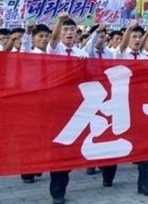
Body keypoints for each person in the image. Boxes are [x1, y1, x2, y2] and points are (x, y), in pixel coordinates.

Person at [101, 21, 148, 196]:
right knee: (115, 144)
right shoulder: (120, 53)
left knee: (145, 147)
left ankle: (144, 184)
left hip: (140, 107)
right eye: (134, 37)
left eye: (140, 37)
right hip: (120, 107)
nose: (137, 40)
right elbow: (123, 45)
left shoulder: (147, 59)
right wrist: (130, 28)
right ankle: (108, 176)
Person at [45, 14, 88, 204]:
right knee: (58, 146)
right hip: (55, 105)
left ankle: (63, 180)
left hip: (76, 106)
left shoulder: (82, 53)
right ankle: (57, 190)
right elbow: (53, 39)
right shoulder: (53, 50)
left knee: (69, 147)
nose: (69, 33)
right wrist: (59, 21)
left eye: (72, 30)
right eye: (65, 30)